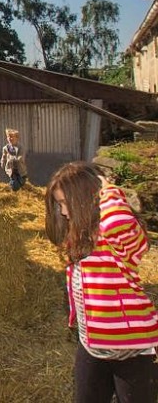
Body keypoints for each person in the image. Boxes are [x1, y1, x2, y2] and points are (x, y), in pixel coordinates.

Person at [44, 162, 158, 403]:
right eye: (60, 205)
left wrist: (107, 190)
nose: (63, 212)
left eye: (65, 203)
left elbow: (119, 222)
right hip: (91, 345)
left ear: (84, 198)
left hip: (130, 350)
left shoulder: (115, 236)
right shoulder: (82, 237)